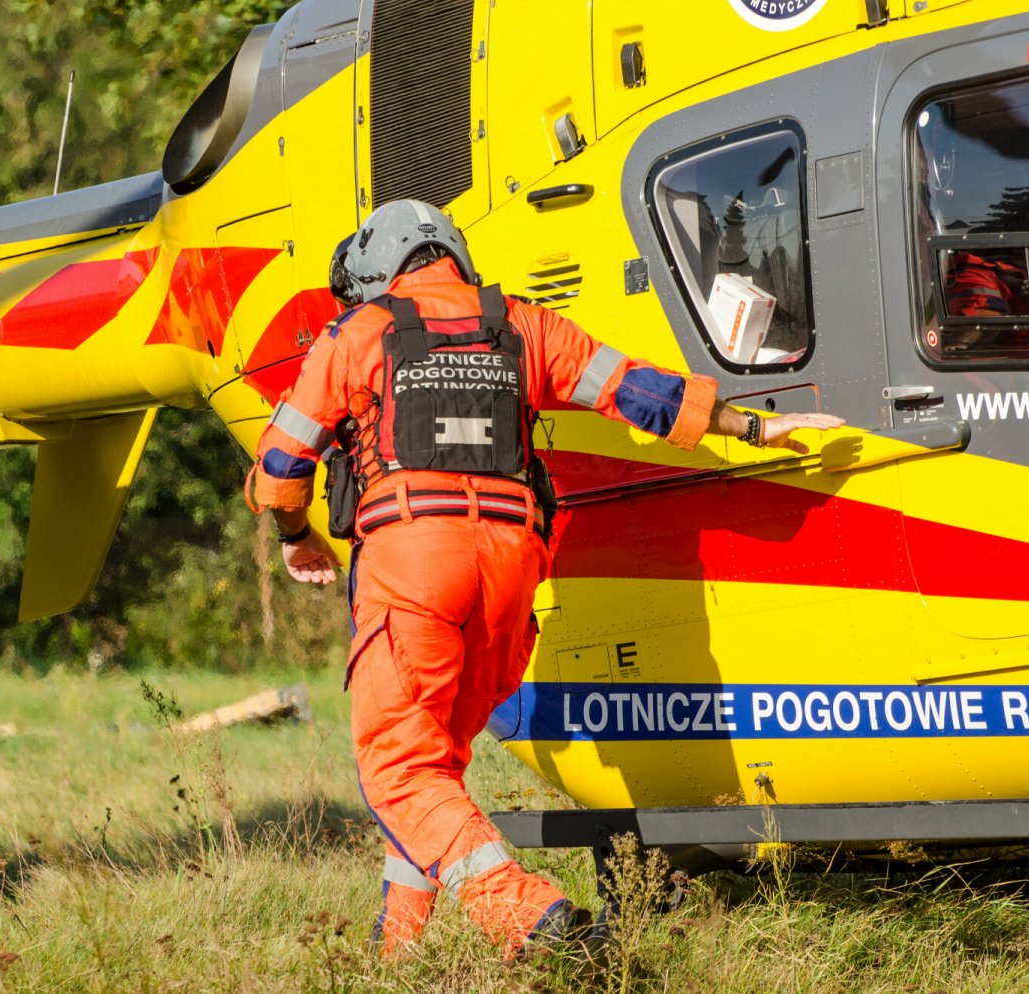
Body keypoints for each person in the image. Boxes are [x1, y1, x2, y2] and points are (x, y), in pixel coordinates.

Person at [247, 199, 843, 961]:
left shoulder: (356, 334)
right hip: (510, 567)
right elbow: (637, 392)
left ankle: (534, 922)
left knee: (397, 766)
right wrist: (756, 426)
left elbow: (281, 467)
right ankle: (396, 949)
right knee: (435, 759)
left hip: (414, 562)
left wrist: (298, 536)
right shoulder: (526, 326)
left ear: (377, 270)